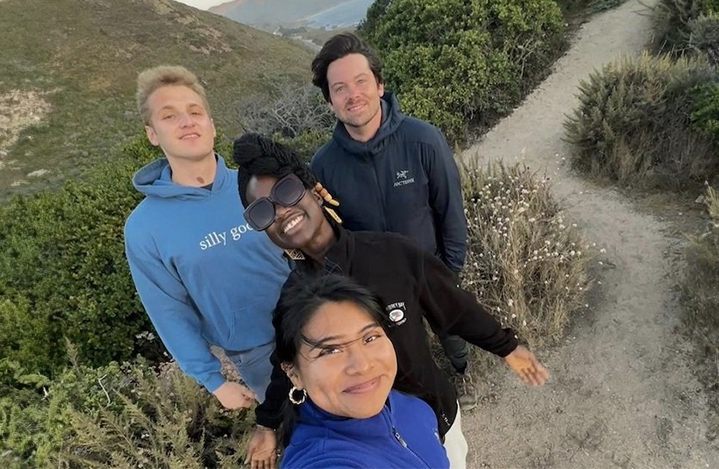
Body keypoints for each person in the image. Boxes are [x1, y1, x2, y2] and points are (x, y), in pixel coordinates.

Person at [235, 134, 548, 469]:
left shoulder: (392, 253)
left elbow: (454, 305)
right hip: (370, 448)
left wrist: (506, 346)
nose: (282, 212)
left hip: (435, 415)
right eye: (263, 210)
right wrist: (267, 424)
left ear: (314, 189)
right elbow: (286, 366)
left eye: (287, 191)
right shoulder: (293, 300)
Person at [309, 32, 475, 407]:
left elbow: (450, 210)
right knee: (401, 351)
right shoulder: (323, 165)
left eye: (361, 81)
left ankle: (463, 371)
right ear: (331, 102)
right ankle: (422, 402)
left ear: (380, 85)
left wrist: (449, 271)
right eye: (340, 88)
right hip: (374, 289)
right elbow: (333, 235)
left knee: (451, 331)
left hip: (432, 269)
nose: (353, 94)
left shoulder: (423, 140)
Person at [124, 66, 291, 410]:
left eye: (195, 112)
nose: (187, 122)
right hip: (257, 358)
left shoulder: (259, 185)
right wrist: (214, 381)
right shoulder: (144, 228)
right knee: (310, 441)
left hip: (318, 322)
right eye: (169, 116)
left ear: (212, 126)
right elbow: (169, 311)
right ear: (152, 134)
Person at [274, 274, 449, 469]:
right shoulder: (323, 461)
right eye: (330, 350)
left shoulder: (410, 402)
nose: (362, 366)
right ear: (294, 374)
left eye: (370, 338)